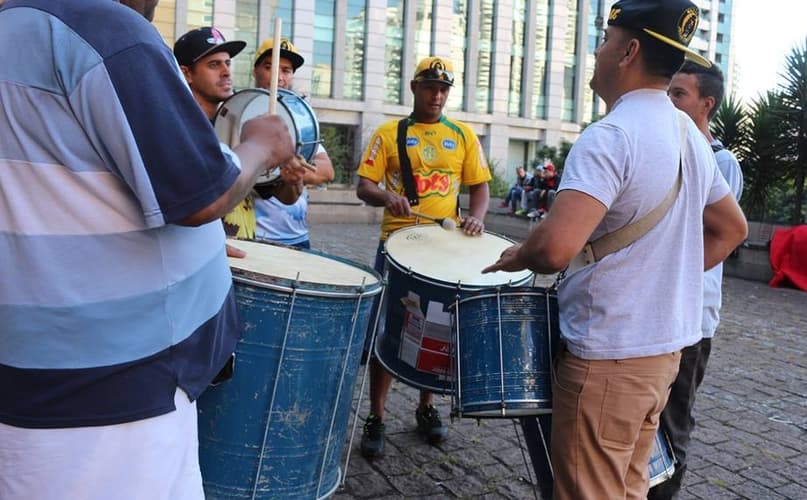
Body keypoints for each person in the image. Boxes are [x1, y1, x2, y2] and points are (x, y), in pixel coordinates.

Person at [0, 1, 296, 498]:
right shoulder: (102, 29)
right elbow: (204, 196)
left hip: (34, 380)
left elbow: (51, 195)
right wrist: (261, 146)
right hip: (117, 397)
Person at [482, 0, 748, 497]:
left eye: (605, 41)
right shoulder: (687, 135)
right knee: (627, 489)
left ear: (628, 51)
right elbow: (731, 229)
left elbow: (557, 249)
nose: (598, 52)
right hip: (663, 353)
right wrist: (665, 277)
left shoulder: (611, 136)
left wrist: (520, 254)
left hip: (610, 355)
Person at [356, 56, 491, 458]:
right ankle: (376, 416)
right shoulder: (389, 133)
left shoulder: (463, 135)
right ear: (414, 88)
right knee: (389, 330)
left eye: (444, 89)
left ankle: (425, 408)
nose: (437, 95)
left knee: (433, 329)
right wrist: (386, 196)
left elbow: (479, 189)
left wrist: (477, 219)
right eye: (430, 86)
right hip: (398, 244)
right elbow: (364, 186)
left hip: (442, 248)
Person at [648, 60, 744, 500]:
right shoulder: (667, 148)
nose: (669, 101)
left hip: (690, 318)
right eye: (667, 92)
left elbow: (708, 233)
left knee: (673, 422)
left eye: (679, 95)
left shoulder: (720, 162)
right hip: (653, 309)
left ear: (707, 103)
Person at [175, 28, 305, 242]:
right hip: (202, 250)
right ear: (187, 73)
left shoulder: (241, 125)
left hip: (246, 248)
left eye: (228, 63)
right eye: (214, 65)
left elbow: (282, 196)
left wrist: (291, 180)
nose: (226, 72)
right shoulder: (179, 128)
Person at [251, 37, 336, 249]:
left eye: (286, 70)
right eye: (270, 67)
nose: (278, 77)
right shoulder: (238, 112)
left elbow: (326, 171)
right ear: (255, 71)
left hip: (296, 236)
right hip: (252, 237)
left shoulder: (299, 121)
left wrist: (284, 171)